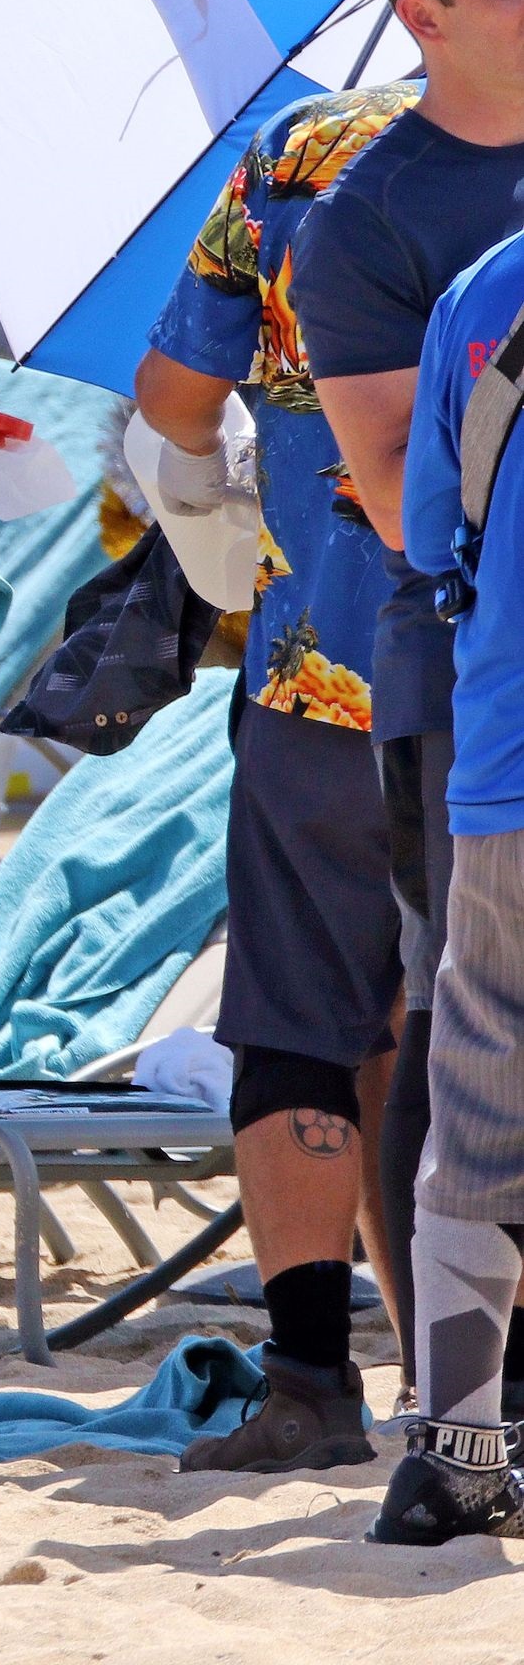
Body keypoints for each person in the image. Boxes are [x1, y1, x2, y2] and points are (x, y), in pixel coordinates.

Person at [136, 80, 419, 1472]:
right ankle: (477, 1376)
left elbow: (175, 397)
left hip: (319, 654)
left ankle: (310, 1381)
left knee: (304, 1013)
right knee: (480, 1018)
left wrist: (238, 482)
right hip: (500, 673)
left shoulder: (301, 152)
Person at [292, 0, 524, 1429]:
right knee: (455, 1026)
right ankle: (450, 1389)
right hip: (456, 664)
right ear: (420, 16)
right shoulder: (369, 217)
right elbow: (394, 500)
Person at [368, 225, 524, 1545]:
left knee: (478, 1089)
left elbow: (429, 533)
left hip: (506, 761)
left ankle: (452, 1459)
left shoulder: (483, 283)